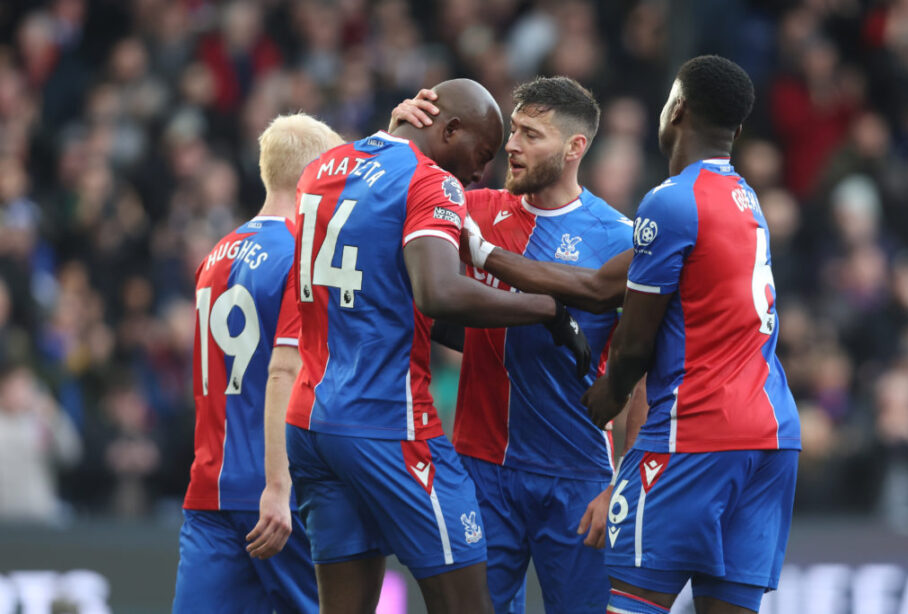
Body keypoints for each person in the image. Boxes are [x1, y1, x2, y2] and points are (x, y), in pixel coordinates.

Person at [283, 78, 590, 614]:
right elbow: (439, 291)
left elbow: (386, 293)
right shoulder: (432, 184)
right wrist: (546, 310)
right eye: (481, 153)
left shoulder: (322, 169)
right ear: (448, 128)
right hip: (388, 423)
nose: (479, 173)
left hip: (310, 422)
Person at [391, 76, 634, 613]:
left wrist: (622, 486)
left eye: (531, 134)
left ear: (576, 148)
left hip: (578, 479)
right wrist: (398, 134)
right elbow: (372, 197)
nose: (512, 145)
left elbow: (640, 374)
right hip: (479, 470)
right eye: (513, 131)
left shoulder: (618, 239)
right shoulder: (469, 208)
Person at [583, 55, 802, 614]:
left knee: (634, 602)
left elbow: (633, 345)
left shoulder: (670, 201)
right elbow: (608, 283)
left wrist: (600, 402)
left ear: (675, 108)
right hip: (772, 433)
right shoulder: (747, 201)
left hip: (698, 431)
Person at [173, 113, 344, 613]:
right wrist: (278, 483)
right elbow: (283, 371)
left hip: (209, 491)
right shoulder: (301, 253)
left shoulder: (216, 254)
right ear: (314, 175)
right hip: (279, 495)